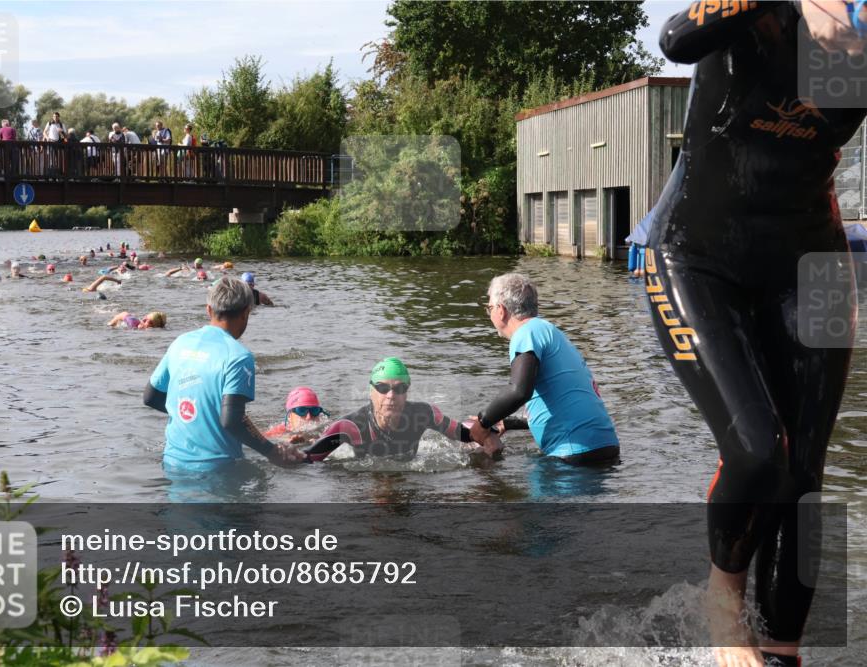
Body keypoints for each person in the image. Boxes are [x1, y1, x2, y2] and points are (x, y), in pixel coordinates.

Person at [650, 3, 866, 667]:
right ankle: (724, 602)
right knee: (757, 452)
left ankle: (782, 655)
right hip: (698, 253)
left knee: (801, 477)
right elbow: (677, 39)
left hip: (812, 266)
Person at [144, 276, 305, 471]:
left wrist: (195, 416)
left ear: (209, 309)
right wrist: (273, 452)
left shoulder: (180, 342)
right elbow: (232, 419)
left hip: (172, 463)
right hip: (218, 470)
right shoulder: (238, 356)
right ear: (246, 313)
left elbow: (151, 397)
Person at [468, 274, 619, 465]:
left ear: (501, 310)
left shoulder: (525, 333)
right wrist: (506, 422)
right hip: (605, 449)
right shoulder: (549, 331)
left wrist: (483, 423)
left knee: (488, 484)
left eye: (489, 308)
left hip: (573, 456)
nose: (489, 313)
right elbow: (561, 404)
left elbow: (518, 391)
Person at [304, 357, 499, 462]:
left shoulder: (424, 414)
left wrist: (488, 435)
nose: (390, 395)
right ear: (371, 391)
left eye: (399, 388)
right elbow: (309, 459)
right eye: (382, 388)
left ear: (407, 392)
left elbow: (467, 435)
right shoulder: (348, 426)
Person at [263, 387, 329, 442]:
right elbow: (259, 439)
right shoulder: (280, 431)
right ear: (289, 416)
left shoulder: (327, 429)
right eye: (302, 410)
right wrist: (285, 439)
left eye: (314, 410)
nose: (308, 417)